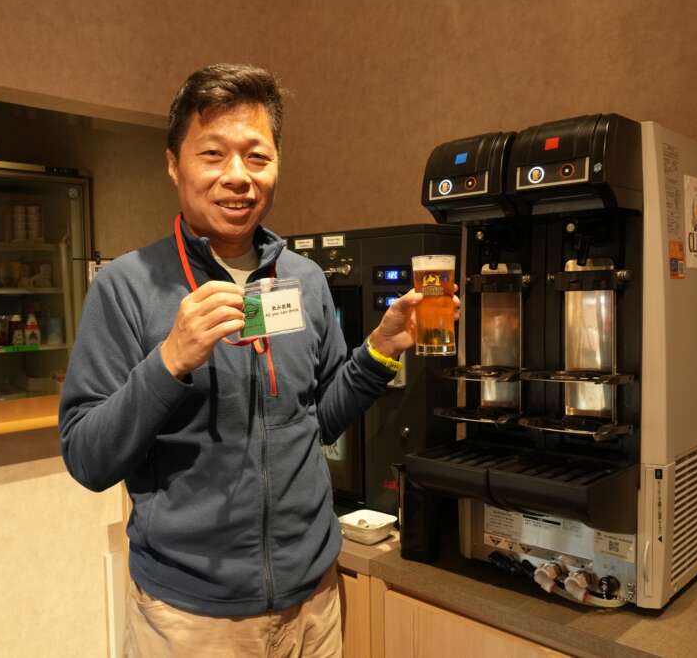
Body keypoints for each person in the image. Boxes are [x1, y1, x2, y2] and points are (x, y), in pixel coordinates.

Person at [58, 64, 457, 657]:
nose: (238, 177)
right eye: (213, 154)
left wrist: (379, 351)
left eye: (257, 156)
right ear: (174, 164)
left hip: (314, 601)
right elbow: (88, 458)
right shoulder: (126, 286)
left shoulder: (304, 279)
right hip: (192, 618)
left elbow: (317, 421)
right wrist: (169, 360)